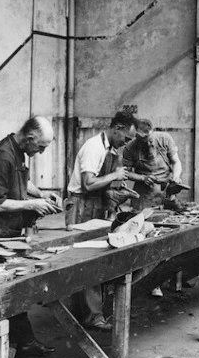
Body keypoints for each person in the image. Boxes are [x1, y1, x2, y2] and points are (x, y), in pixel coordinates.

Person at [0, 116, 59, 358]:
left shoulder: (17, 152)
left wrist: (43, 195)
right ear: (30, 138)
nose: (39, 153)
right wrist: (31, 205)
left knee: (13, 286)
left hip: (6, 232)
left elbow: (22, 181)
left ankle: (23, 341)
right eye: (40, 147)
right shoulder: (1, 157)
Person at [65, 111, 137, 330]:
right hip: (81, 206)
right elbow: (87, 183)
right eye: (126, 138)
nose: (127, 143)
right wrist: (114, 177)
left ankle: (90, 312)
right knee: (84, 258)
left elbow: (101, 185)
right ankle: (90, 315)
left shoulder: (111, 149)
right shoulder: (93, 147)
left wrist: (115, 194)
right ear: (118, 128)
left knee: (96, 258)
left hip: (95, 204)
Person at [123, 118, 184, 297]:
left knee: (167, 232)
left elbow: (176, 162)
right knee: (143, 235)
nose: (147, 144)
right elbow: (125, 172)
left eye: (148, 139)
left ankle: (163, 277)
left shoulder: (164, 139)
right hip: (143, 193)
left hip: (165, 190)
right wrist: (141, 178)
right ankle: (145, 279)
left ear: (152, 132)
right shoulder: (131, 147)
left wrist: (176, 176)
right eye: (142, 141)